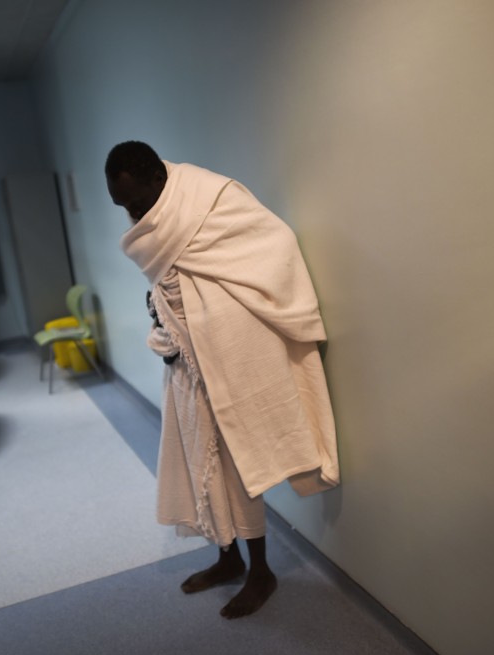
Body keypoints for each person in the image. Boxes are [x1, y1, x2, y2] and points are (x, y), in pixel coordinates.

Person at [106, 141, 339, 618]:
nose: (131, 213)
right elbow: (171, 276)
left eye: (135, 200)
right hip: (187, 361)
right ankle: (227, 558)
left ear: (157, 178)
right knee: (201, 460)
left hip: (230, 352)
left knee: (238, 464)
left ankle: (261, 571)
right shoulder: (156, 216)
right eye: (121, 205)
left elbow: (274, 243)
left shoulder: (213, 197)